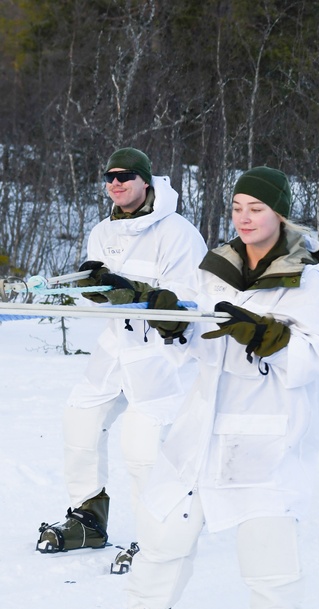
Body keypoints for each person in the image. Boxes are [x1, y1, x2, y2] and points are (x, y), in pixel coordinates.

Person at [87, 167, 319, 609]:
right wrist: (173, 324)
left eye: (257, 208)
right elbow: (199, 346)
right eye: (238, 207)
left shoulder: (307, 282)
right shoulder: (214, 270)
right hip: (201, 423)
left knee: (265, 536)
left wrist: (270, 338)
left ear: (280, 214)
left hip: (267, 427)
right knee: (166, 524)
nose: (245, 218)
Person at [37, 148, 206, 573]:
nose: (116, 183)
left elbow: (184, 307)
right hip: (117, 341)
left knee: (143, 445)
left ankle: (157, 538)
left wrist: (132, 292)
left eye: (125, 176)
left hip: (162, 352)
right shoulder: (102, 232)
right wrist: (96, 289)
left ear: (146, 181)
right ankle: (87, 517)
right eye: (110, 176)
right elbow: (104, 289)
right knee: (80, 416)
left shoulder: (178, 233)